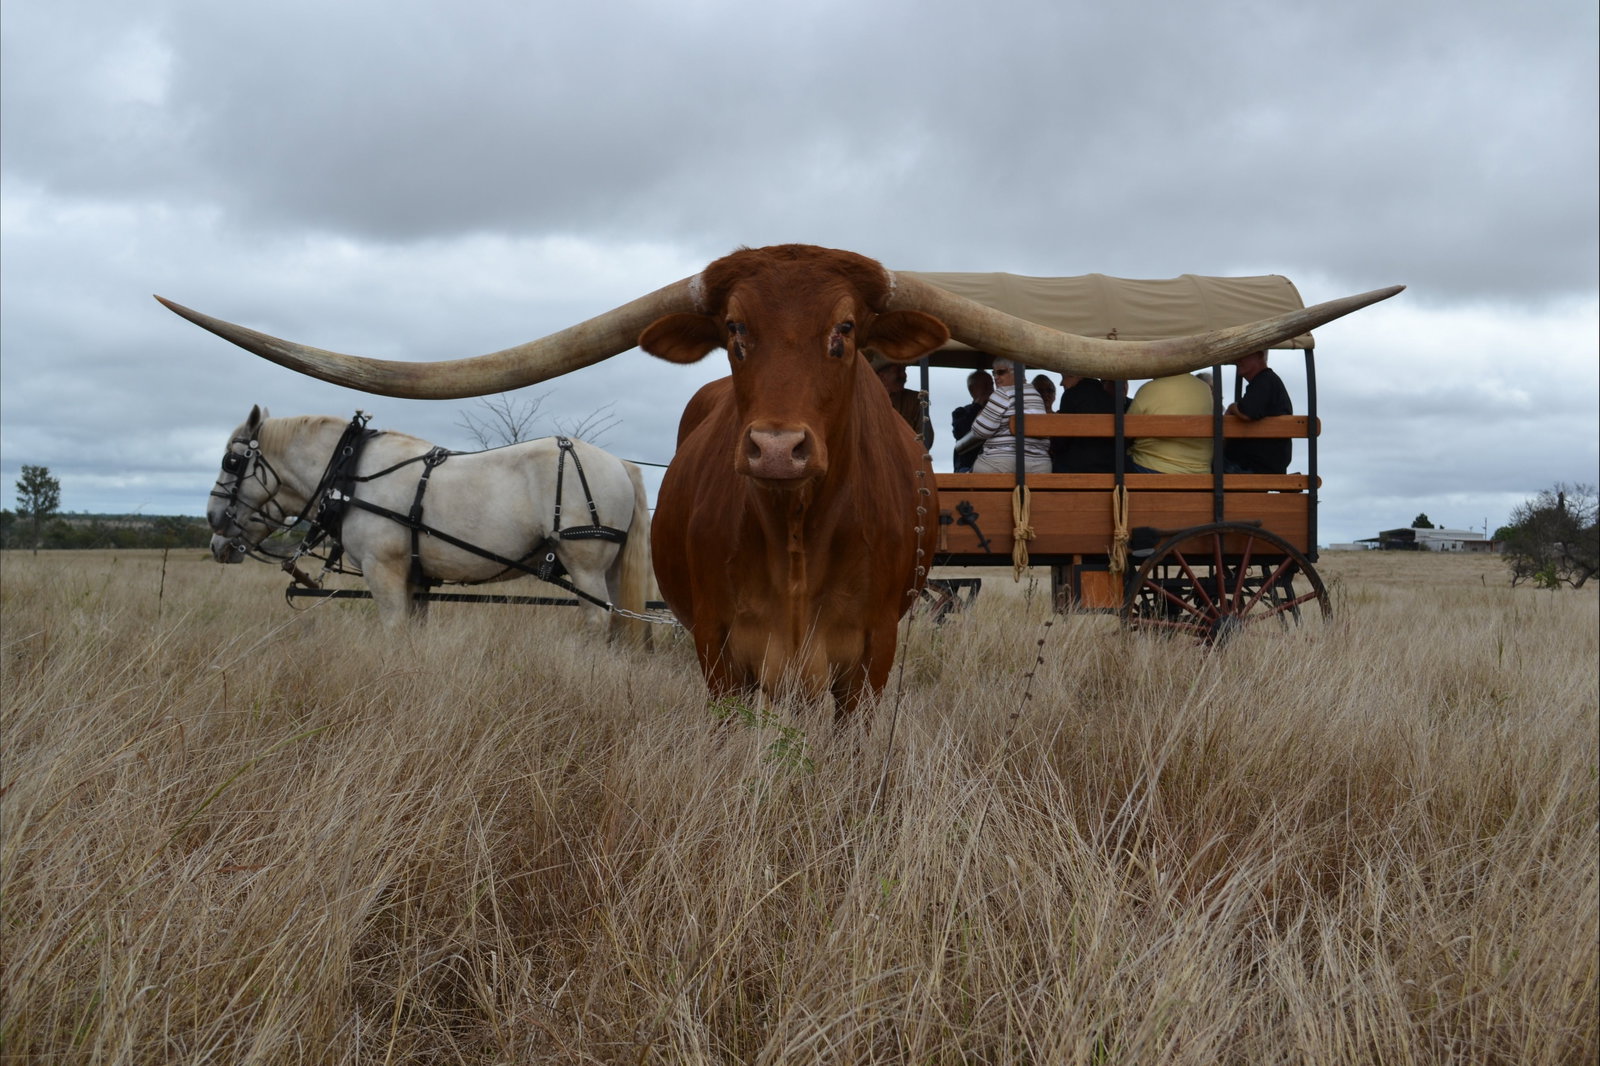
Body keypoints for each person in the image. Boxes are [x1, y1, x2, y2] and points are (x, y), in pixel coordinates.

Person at [954, 361, 1051, 474]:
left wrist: (981, 414)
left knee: (967, 474)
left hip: (1003, 465)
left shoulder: (1003, 393)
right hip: (1040, 465)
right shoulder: (1036, 396)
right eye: (994, 373)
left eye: (1001, 372)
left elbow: (979, 432)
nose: (996, 378)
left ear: (1017, 372)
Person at [1126, 372, 1213, 474]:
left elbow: (1126, 431)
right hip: (1200, 473)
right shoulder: (1204, 388)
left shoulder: (1149, 388)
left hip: (1151, 469)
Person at [1224, 350, 1293, 474]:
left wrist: (1232, 407)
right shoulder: (1265, 381)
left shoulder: (1265, 380)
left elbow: (1247, 412)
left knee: (1201, 467)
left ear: (1260, 355)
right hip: (1262, 465)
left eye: (1243, 355)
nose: (1237, 360)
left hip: (1253, 467)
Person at [1052, 375, 1122, 473]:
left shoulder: (1071, 395)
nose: (1061, 383)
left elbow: (1062, 441)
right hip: (1109, 468)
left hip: (1077, 468)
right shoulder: (1108, 398)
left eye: (1064, 377)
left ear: (1077, 375)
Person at [874, 358, 934, 451]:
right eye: (897, 370)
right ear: (881, 376)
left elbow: (926, 439)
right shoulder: (865, 400)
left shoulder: (916, 400)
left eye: (904, 370)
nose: (903, 375)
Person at [950, 369, 993, 472]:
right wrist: (978, 405)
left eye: (991, 384)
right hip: (967, 466)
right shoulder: (960, 412)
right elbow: (960, 432)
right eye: (984, 385)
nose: (989, 389)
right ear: (972, 389)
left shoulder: (1000, 410)